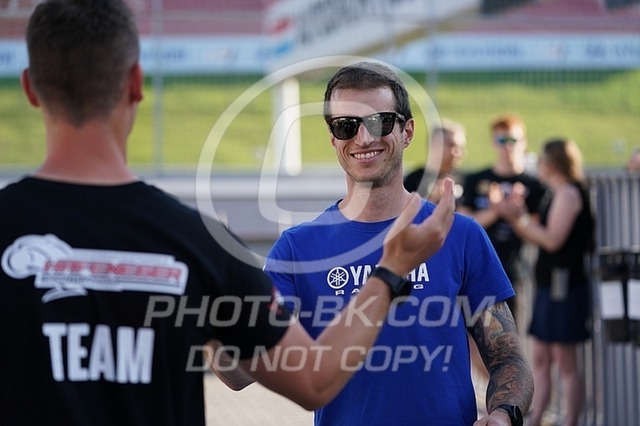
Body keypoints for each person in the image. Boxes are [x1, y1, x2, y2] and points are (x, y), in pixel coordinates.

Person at [0, 2, 457, 424]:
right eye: (345, 126)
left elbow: (240, 373)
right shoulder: (196, 243)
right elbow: (314, 381)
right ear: (136, 83)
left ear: (30, 88)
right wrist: (390, 271)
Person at [264, 62, 533, 426]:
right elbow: (239, 366)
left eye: (380, 122)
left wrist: (503, 414)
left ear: (407, 131)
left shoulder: (460, 234)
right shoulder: (297, 248)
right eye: (346, 126)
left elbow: (507, 357)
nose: (363, 138)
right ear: (333, 139)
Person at [502, 138, 594, 426]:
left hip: (565, 287)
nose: (538, 166)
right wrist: (519, 218)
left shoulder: (569, 193)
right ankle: (536, 418)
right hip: (549, 286)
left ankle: (571, 420)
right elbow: (537, 235)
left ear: (552, 163)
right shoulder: (556, 193)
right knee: (541, 357)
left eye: (541, 160)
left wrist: (520, 219)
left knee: (565, 361)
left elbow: (553, 240)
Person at [458, 114, 547, 329]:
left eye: (513, 140)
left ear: (524, 142)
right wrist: (495, 210)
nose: (508, 147)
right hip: (476, 271)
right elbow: (463, 225)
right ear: (493, 142)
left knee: (511, 336)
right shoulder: (476, 179)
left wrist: (517, 215)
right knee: (475, 337)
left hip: (514, 272)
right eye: (502, 140)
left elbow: (538, 234)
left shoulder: (533, 185)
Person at [403, 118, 467, 203]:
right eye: (452, 145)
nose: (458, 152)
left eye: (461, 148)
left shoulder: (467, 180)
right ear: (435, 145)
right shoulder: (414, 180)